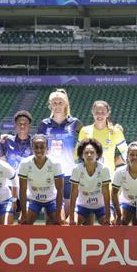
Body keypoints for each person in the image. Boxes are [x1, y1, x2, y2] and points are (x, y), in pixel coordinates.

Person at [39, 89, 83, 218]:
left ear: (66, 104)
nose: (57, 105)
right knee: (51, 210)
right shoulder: (44, 124)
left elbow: (88, 137)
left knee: (68, 213)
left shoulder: (75, 123)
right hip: (50, 172)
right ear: (50, 105)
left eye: (60, 102)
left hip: (69, 172)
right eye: (54, 103)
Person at [18, 135, 64, 225]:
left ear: (47, 148)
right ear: (32, 148)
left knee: (60, 222)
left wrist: (58, 215)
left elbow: (60, 190)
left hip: (52, 200)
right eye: (36, 147)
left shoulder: (55, 163)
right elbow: (22, 190)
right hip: (33, 200)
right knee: (23, 222)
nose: (39, 150)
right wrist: (23, 214)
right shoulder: (25, 163)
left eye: (42, 147)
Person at [78, 99, 127, 175]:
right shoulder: (84, 131)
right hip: (88, 178)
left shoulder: (116, 132)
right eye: (97, 112)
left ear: (108, 114)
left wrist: (115, 161)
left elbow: (126, 152)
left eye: (103, 112)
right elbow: (77, 153)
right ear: (92, 113)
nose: (99, 115)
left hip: (109, 177)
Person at [69, 139, 112, 226]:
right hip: (82, 207)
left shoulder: (104, 169)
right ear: (81, 155)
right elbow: (73, 193)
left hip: (101, 207)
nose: (89, 155)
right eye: (86, 152)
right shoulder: (77, 169)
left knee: (111, 223)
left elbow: (106, 193)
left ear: (97, 154)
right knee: (69, 223)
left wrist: (108, 217)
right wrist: (71, 217)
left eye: (92, 152)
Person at [2, 110, 34, 181]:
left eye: (25, 124)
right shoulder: (7, 141)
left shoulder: (34, 143)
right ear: (15, 125)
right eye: (19, 124)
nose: (22, 126)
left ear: (30, 125)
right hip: (11, 181)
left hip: (29, 182)